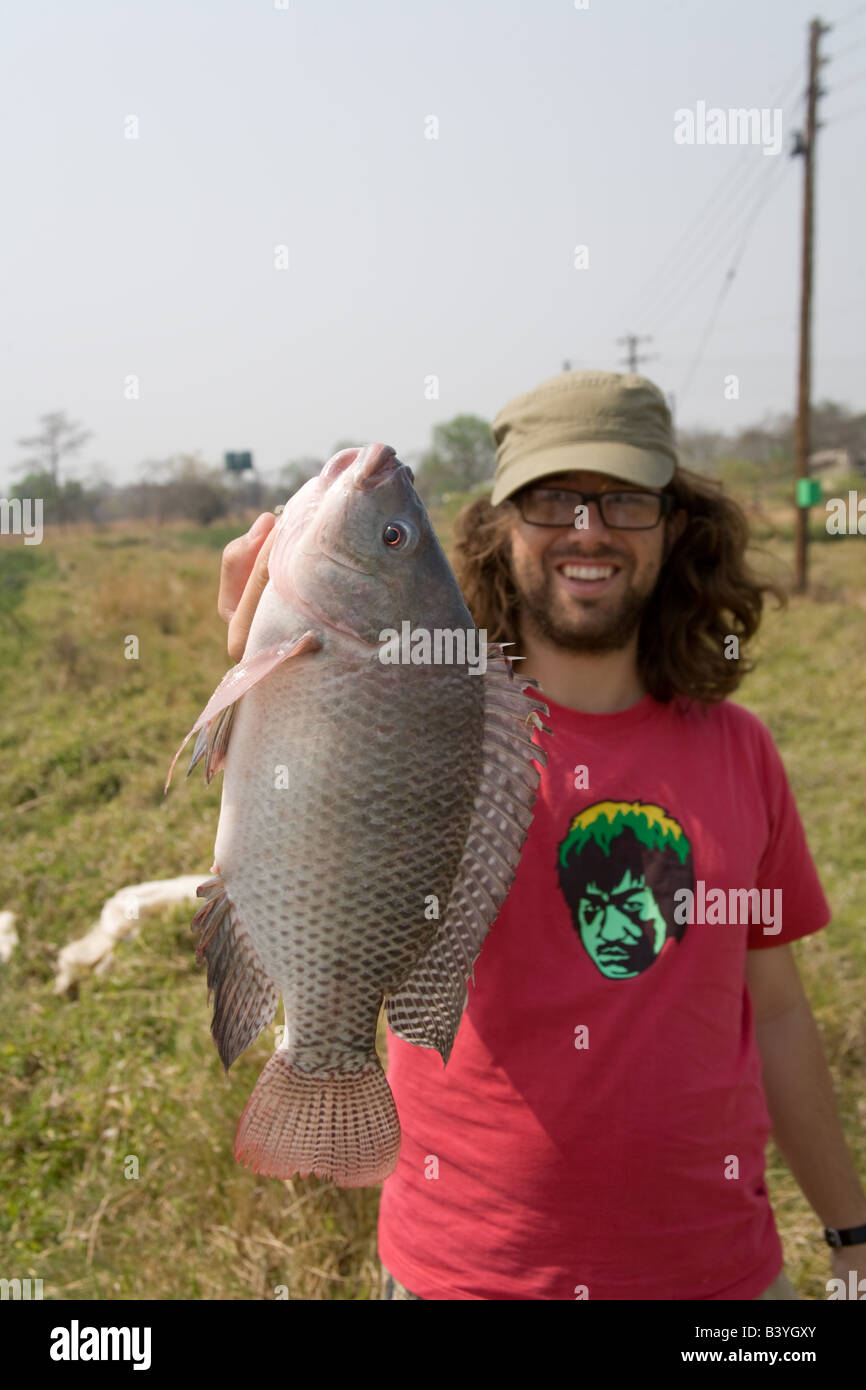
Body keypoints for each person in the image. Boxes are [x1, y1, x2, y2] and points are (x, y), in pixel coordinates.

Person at [216, 369, 866, 1301]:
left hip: (723, 1284)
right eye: (552, 498)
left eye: (624, 501)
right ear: (499, 526)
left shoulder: (743, 752)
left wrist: (851, 1231)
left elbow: (780, 1013)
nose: (588, 529)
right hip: (469, 1277)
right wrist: (260, 688)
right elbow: (307, 818)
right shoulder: (434, 725)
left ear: (674, 525)